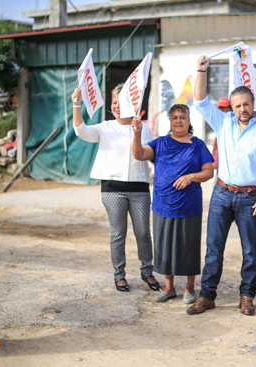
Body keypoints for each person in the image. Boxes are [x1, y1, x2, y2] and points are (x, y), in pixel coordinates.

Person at [186, 55, 256, 316]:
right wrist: (201, 71)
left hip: (251, 197)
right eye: (238, 105)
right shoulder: (223, 122)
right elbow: (199, 101)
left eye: (247, 104)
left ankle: (247, 297)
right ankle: (207, 296)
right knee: (213, 249)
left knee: (250, 250)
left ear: (253, 105)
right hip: (221, 193)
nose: (242, 109)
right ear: (232, 106)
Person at [71, 84, 160, 293]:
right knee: (118, 233)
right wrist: (76, 105)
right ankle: (119, 275)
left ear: (133, 104)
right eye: (114, 103)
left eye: (123, 103)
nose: (117, 107)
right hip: (112, 190)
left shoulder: (144, 128)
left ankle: (147, 271)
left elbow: (153, 153)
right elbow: (81, 131)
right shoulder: (105, 127)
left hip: (140, 189)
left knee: (143, 233)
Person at [132, 104, 214, 303]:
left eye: (183, 117)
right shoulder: (160, 143)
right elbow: (139, 155)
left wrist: (191, 177)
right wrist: (136, 134)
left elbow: (209, 172)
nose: (179, 121)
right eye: (175, 117)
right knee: (165, 246)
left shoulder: (198, 145)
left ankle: (189, 288)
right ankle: (169, 288)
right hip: (163, 204)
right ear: (170, 121)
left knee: (189, 246)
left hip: (189, 205)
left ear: (188, 120)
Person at [212, 97, 232, 173]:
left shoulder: (236, 123)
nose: (222, 110)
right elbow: (216, 145)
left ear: (230, 108)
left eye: (224, 108)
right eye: (220, 108)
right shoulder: (219, 123)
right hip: (221, 165)